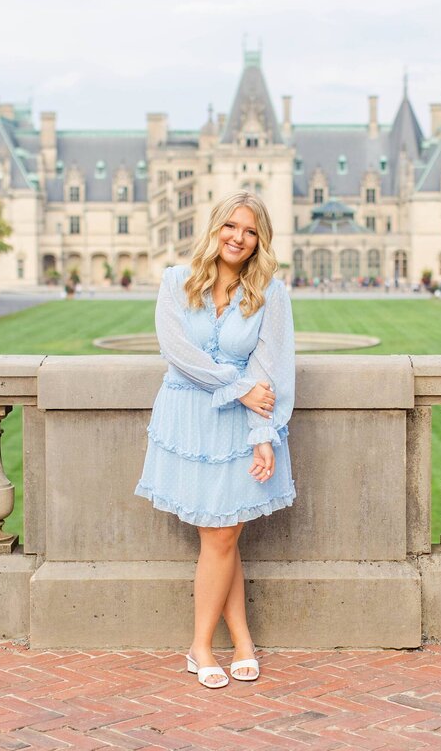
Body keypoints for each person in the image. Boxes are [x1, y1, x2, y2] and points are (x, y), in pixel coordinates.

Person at [134, 190, 296, 690]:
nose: (239, 238)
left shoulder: (272, 292)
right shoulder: (175, 282)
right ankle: (219, 643)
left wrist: (263, 436)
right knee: (219, 534)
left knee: (223, 533)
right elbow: (178, 353)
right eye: (231, 226)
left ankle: (208, 644)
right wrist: (242, 386)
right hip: (188, 417)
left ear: (260, 240)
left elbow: (274, 369)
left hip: (238, 426)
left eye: (250, 231)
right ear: (215, 227)